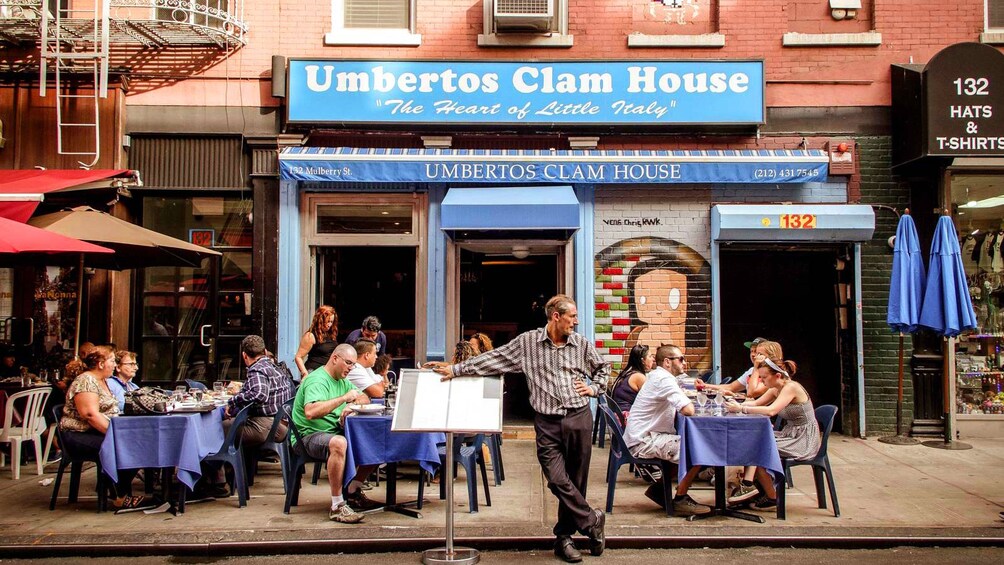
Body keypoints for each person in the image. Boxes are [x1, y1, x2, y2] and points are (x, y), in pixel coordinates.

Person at [427, 294, 609, 563]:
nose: (577, 321)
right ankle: (592, 520)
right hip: (547, 422)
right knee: (558, 479)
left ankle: (564, 538)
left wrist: (594, 388)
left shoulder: (580, 344)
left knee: (576, 481)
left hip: (578, 417)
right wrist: (456, 369)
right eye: (572, 316)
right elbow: (494, 359)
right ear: (556, 316)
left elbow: (604, 369)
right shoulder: (528, 343)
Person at [623, 344, 712, 516]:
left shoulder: (658, 375)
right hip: (644, 440)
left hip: (642, 435)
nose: (684, 363)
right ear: (667, 362)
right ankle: (681, 498)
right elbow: (688, 410)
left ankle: (659, 489)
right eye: (680, 359)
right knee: (700, 447)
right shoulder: (664, 379)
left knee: (690, 443)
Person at [291, 343, 375, 523]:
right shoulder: (317, 380)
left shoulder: (342, 380)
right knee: (339, 443)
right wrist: (344, 399)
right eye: (348, 363)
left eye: (353, 364)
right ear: (335, 358)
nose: (351, 368)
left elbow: (364, 397)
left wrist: (352, 404)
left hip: (333, 432)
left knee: (376, 441)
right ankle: (337, 506)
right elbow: (311, 412)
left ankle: (352, 490)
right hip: (308, 435)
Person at [725, 356, 821, 511]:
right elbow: (756, 402)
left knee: (760, 448)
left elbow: (771, 411)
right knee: (751, 442)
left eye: (764, 377)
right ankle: (754, 488)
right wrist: (733, 404)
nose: (762, 381)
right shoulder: (776, 388)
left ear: (777, 376)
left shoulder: (791, 387)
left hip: (803, 439)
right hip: (789, 433)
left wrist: (741, 409)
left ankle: (769, 496)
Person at [59, 346, 143, 508]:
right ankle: (117, 495)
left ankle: (113, 488)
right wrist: (116, 434)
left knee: (138, 444)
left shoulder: (103, 380)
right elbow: (90, 415)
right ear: (100, 363)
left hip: (97, 432)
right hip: (78, 434)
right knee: (126, 446)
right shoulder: (86, 381)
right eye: (112, 361)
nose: (114, 364)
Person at [606, 344, 654, 416]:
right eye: (650, 356)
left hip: (619, 416)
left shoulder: (627, 373)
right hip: (627, 418)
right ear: (642, 360)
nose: (653, 359)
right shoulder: (639, 377)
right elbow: (651, 400)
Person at [294, 306, 339, 380]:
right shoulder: (310, 336)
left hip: (326, 373)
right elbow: (298, 357)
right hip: (314, 371)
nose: (329, 325)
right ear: (320, 320)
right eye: (327, 321)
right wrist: (305, 374)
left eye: (331, 322)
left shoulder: (330, 334)